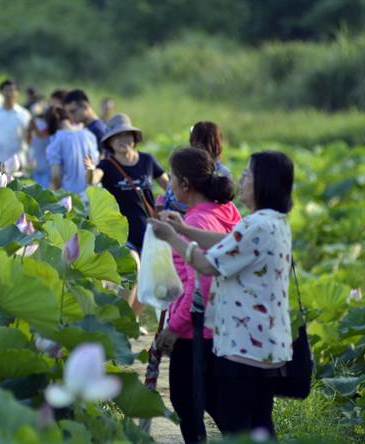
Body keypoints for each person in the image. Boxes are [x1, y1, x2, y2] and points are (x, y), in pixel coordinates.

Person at [149, 151, 295, 439]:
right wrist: (182, 228)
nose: (239, 178)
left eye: (248, 174)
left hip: (244, 343)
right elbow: (229, 241)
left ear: (264, 183)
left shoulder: (257, 225)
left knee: (240, 424)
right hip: (264, 340)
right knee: (256, 423)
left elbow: (204, 266)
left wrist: (172, 238)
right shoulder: (270, 222)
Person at [153, 147, 241, 443]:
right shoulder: (225, 210)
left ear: (185, 184)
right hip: (224, 326)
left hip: (196, 332)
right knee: (220, 406)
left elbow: (200, 285)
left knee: (188, 406)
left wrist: (173, 329)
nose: (170, 185)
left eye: (172, 178)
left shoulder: (198, 222)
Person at [85, 113, 169, 320]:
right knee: (132, 271)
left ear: (134, 138)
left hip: (148, 231)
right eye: (118, 137)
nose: (124, 140)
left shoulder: (148, 161)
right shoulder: (107, 165)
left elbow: (169, 188)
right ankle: (117, 321)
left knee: (147, 282)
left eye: (127, 135)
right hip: (121, 232)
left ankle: (130, 321)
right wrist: (90, 171)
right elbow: (94, 179)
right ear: (110, 142)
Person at [159, 121, 231, 213]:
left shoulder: (183, 167)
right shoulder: (223, 172)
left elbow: (172, 197)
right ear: (218, 142)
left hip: (182, 220)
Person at [46, 106, 99, 195]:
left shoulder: (56, 140)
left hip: (72, 197)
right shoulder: (89, 134)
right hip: (94, 194)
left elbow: (56, 177)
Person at [28, 100, 51, 188]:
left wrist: (34, 125)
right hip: (36, 165)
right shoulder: (35, 122)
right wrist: (29, 130)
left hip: (47, 166)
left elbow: (41, 135)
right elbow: (28, 141)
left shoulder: (50, 125)